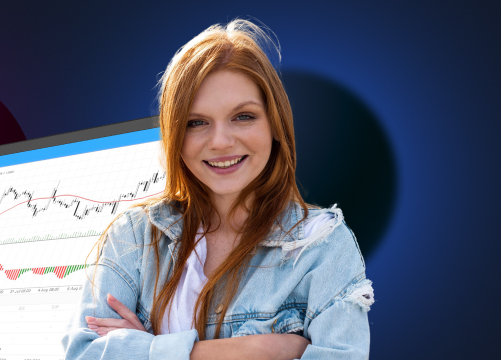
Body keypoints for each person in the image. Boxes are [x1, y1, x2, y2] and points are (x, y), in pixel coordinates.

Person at [61, 18, 373, 360]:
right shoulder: (133, 238)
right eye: (197, 123)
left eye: (243, 116)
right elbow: (84, 354)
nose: (221, 142)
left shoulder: (322, 246)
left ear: (274, 123)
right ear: (175, 137)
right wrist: (264, 350)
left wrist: (146, 349)